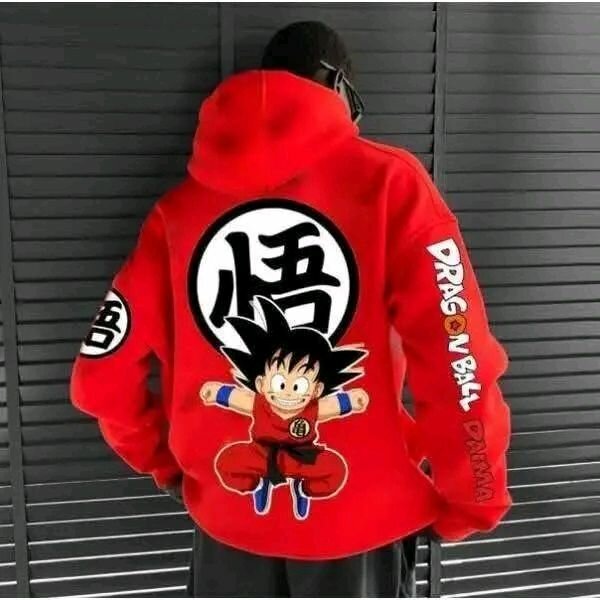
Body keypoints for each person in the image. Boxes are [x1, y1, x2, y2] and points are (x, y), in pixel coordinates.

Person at [69, 20, 513, 598]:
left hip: (226, 524)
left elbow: (101, 378)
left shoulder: (175, 216)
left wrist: (171, 467)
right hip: (362, 529)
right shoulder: (392, 186)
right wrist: (474, 496)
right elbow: (459, 361)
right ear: (340, 90)